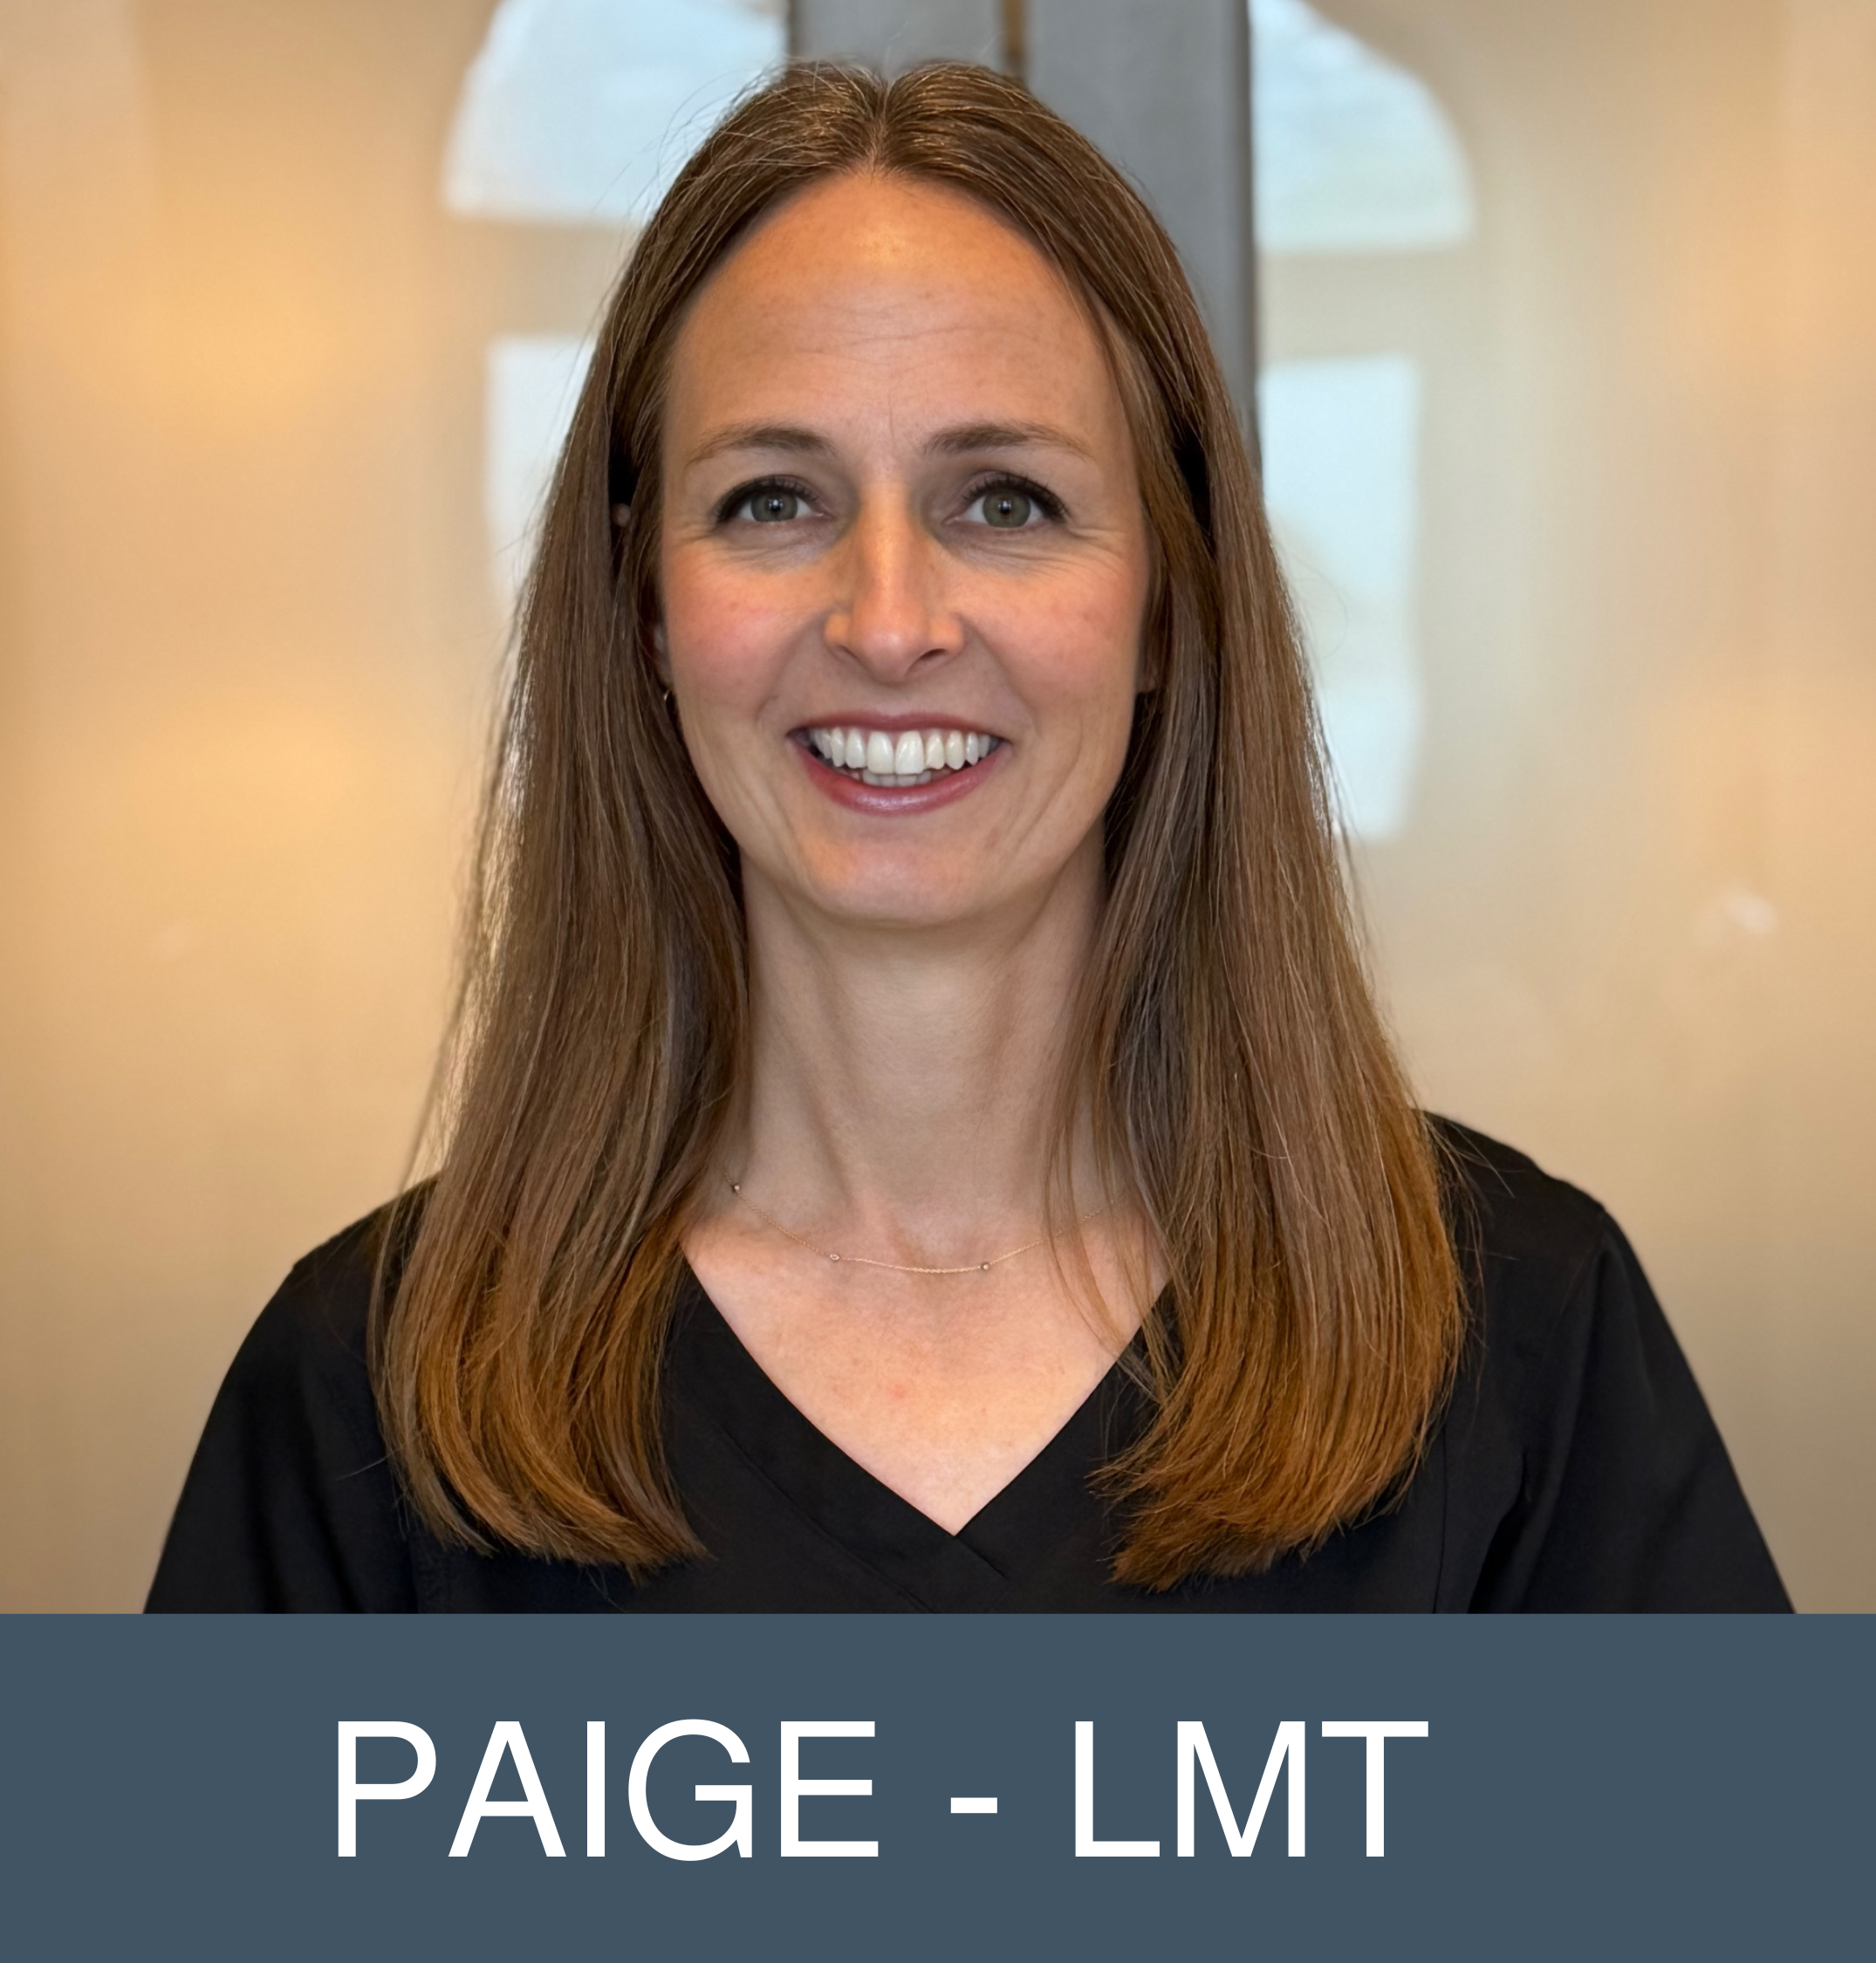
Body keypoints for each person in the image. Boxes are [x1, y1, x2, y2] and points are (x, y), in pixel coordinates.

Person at [147, 62, 1786, 1613]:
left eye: (1003, 500)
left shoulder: (1521, 1339)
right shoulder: (361, 1395)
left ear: (1167, 601)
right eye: (771, 499)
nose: (886, 620)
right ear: (644, 608)